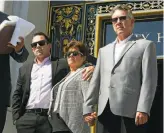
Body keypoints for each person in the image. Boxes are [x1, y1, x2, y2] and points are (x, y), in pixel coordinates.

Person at [83, 4, 157, 133]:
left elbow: (149, 81)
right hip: (105, 111)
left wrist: (143, 108)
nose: (118, 22)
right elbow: (96, 80)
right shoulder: (104, 51)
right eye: (114, 19)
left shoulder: (145, 46)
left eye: (122, 18)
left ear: (132, 22)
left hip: (131, 111)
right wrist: (88, 107)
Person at [12, 32, 94, 133]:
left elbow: (81, 59)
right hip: (27, 119)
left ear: (49, 45)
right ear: (32, 48)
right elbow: (17, 94)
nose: (38, 46)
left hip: (49, 119)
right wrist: (17, 118)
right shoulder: (24, 68)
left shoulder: (62, 63)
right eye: (34, 45)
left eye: (41, 43)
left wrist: (91, 67)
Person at [48, 40, 90, 133]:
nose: (71, 56)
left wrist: (89, 113)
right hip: (58, 123)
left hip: (72, 124)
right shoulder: (68, 75)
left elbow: (88, 96)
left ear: (83, 57)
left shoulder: (84, 72)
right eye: (68, 54)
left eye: (75, 53)